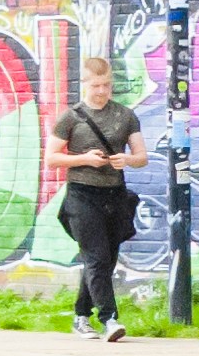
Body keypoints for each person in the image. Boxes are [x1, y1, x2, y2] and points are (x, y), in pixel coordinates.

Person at [56, 58, 147, 328]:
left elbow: (141, 156)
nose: (101, 91)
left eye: (107, 85)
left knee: (106, 258)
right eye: (96, 85)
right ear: (84, 84)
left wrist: (126, 160)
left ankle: (81, 316)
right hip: (81, 195)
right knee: (95, 256)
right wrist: (84, 159)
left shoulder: (125, 115)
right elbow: (51, 158)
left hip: (114, 195)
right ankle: (109, 319)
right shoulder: (70, 117)